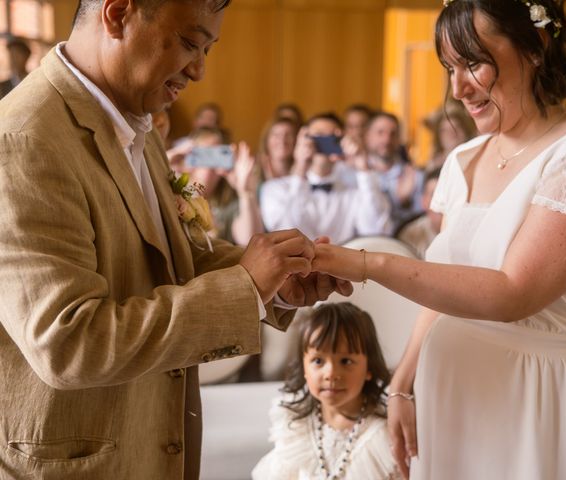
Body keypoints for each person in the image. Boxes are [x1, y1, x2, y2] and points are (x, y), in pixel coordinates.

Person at [0, 1, 351, 479]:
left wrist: (275, 283)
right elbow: (68, 342)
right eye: (189, 43)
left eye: (207, 48)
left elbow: (173, 260)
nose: (200, 70)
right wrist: (244, 287)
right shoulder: (24, 139)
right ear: (119, 14)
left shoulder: (136, 124)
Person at [311, 0, 566, 478]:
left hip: (536, 399)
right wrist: (403, 384)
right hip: (448, 392)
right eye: (449, 67)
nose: (457, 87)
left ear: (536, 46)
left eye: (473, 63)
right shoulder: (462, 159)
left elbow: (513, 293)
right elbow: (444, 290)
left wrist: (365, 264)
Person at [252, 302, 401, 480]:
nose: (330, 374)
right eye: (318, 361)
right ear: (304, 368)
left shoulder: (381, 437)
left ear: (369, 367)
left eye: (345, 361)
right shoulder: (296, 426)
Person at [260, 112, 392, 245]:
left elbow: (376, 231)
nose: (323, 143)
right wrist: (301, 168)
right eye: (317, 136)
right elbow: (283, 233)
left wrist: (362, 165)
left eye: (331, 137)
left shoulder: (354, 192)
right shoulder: (274, 188)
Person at [365, 111, 425, 229]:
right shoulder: (355, 175)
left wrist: (405, 204)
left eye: (393, 134)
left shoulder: (416, 177)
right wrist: (399, 200)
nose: (387, 140)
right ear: (368, 136)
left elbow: (421, 224)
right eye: (380, 133)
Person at [394, 167, 443, 258]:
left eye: (447, 194)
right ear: (424, 201)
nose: (441, 202)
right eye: (434, 194)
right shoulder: (410, 236)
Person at [422, 98, 476, 171]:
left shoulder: (475, 158)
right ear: (439, 136)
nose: (452, 134)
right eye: (445, 130)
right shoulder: (434, 165)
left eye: (456, 127)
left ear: (465, 130)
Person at [258, 116, 298, 181]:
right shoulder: (254, 172)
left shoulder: (303, 174)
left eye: (288, 135)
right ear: (266, 140)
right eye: (276, 135)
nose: (282, 140)